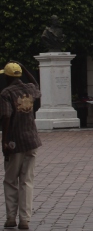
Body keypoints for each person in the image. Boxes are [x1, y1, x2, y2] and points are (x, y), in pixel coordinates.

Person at [0, 62, 41, 230]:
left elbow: (6, 116)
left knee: (10, 180)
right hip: (31, 139)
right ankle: (25, 219)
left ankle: (11, 217)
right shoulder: (30, 89)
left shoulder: (6, 93)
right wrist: (26, 70)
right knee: (27, 181)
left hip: (15, 141)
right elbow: (38, 86)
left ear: (8, 76)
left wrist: (5, 141)